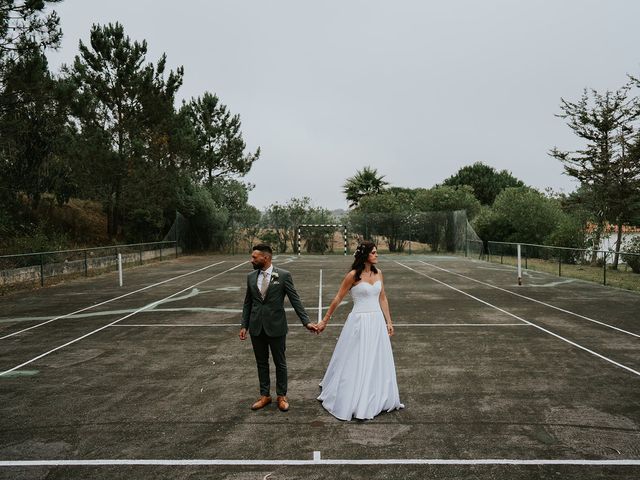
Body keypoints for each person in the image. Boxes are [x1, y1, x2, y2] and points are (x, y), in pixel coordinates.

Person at [316, 241, 404, 420]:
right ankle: (353, 396)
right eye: (374, 252)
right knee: (355, 358)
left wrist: (389, 321)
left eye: (376, 252)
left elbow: (383, 297)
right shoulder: (353, 276)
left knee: (375, 358)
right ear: (365, 256)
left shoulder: (379, 273)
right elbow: (338, 298)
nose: (376, 255)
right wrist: (325, 320)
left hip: (377, 321)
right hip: (359, 322)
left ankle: (375, 394)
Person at [239, 243, 317, 412]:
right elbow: (248, 303)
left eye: (254, 257)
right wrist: (244, 325)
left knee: (280, 363)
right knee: (261, 363)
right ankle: (265, 395)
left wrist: (306, 322)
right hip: (256, 327)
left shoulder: (283, 275)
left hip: (276, 327)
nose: (251, 260)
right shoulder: (251, 277)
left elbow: (295, 300)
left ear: (265, 258)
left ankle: (281, 396)